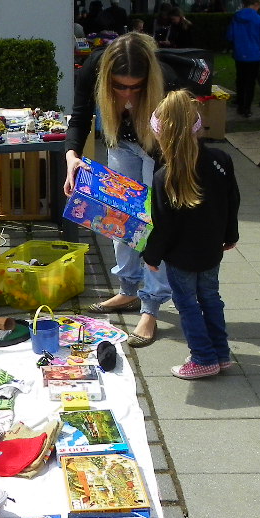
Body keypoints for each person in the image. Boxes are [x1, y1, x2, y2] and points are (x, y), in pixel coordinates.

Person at [65, 32, 177, 347]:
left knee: (152, 222)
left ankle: (151, 307)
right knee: (118, 218)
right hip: (121, 145)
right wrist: (72, 157)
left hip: (159, 148)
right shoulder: (94, 67)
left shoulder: (165, 79)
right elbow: (79, 118)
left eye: (135, 87)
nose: (127, 94)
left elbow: (177, 139)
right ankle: (128, 290)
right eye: (119, 86)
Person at [141, 89, 240, 380]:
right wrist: (231, 234)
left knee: (187, 304)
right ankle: (220, 353)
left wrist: (151, 255)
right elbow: (232, 201)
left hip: (181, 257)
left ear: (160, 134)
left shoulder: (164, 176)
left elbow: (163, 225)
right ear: (198, 126)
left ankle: (203, 358)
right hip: (211, 249)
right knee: (211, 298)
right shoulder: (220, 160)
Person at [225, 0, 260, 118]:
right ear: (256, 4)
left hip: (239, 53)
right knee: (250, 82)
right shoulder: (258, 19)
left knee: (240, 80)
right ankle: (247, 109)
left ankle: (240, 106)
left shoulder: (236, 17)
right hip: (254, 54)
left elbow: (230, 36)